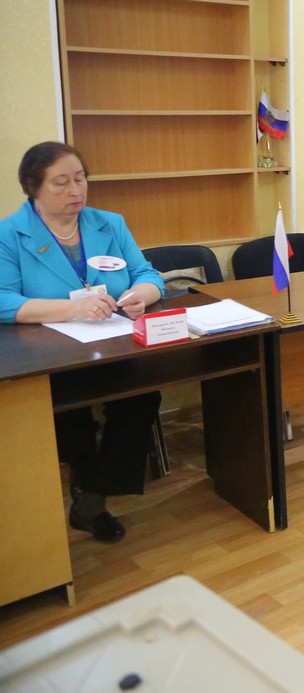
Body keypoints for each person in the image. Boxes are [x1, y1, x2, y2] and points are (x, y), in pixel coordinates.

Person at [0, 142, 164, 542]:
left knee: (143, 394)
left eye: (80, 179)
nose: (76, 190)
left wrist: (142, 294)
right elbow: (3, 300)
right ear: (33, 188)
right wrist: (72, 308)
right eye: (61, 182)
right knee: (69, 413)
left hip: (114, 342)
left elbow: (149, 274)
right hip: (47, 351)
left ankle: (91, 497)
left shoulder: (109, 224)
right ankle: (87, 487)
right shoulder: (9, 234)